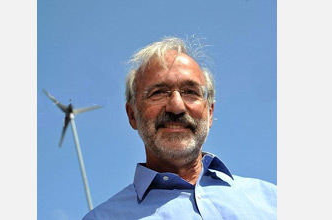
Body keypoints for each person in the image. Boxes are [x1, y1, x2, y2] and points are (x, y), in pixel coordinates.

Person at [82, 37, 277, 220]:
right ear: (132, 115)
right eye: (158, 93)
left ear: (209, 112)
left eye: (191, 92)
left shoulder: (273, 201)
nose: (176, 107)